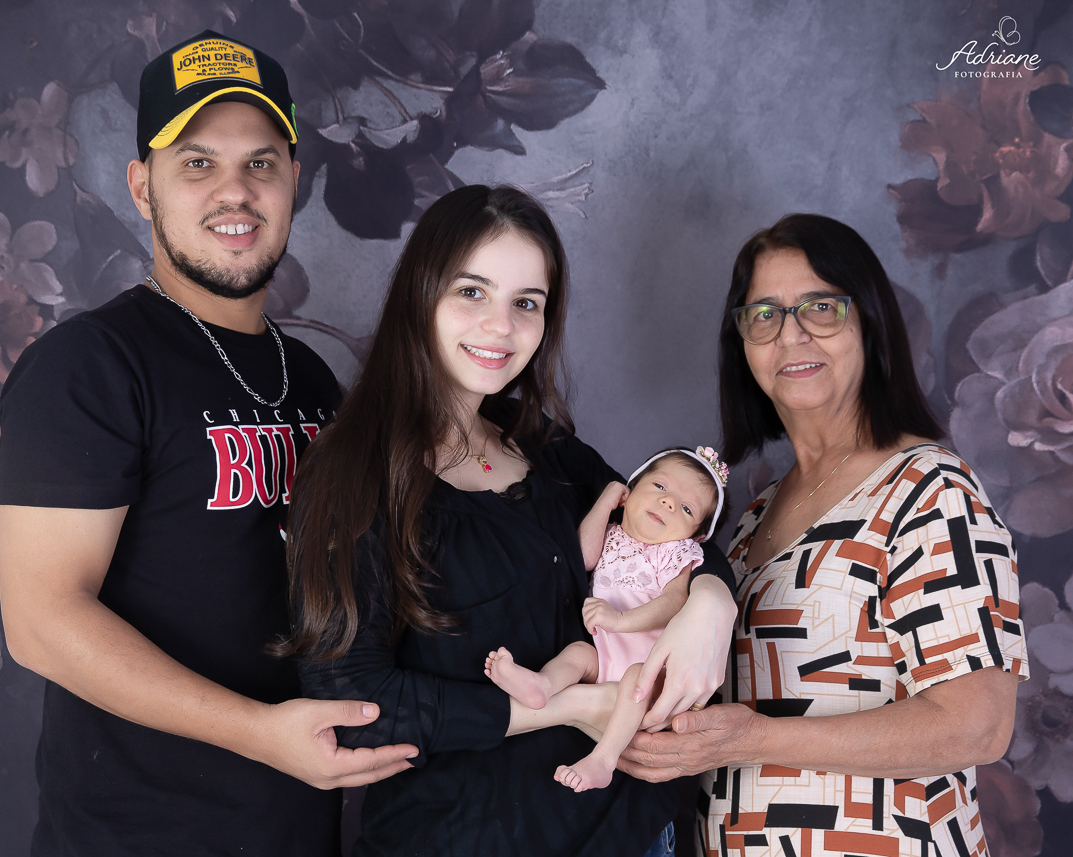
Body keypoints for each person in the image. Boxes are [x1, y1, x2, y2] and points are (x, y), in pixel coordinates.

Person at [0, 31, 415, 857]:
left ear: (294, 180)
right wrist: (260, 732)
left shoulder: (311, 378)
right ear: (141, 186)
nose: (236, 190)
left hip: (297, 831)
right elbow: (41, 620)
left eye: (261, 162)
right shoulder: (89, 365)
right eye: (197, 163)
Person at [280, 184, 739, 857]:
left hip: (631, 832)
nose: (500, 327)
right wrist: (565, 707)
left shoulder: (542, 443)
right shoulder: (352, 471)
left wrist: (713, 601)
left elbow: (670, 519)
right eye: (472, 292)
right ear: (420, 294)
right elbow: (352, 703)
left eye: (527, 302)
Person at [616, 214, 1027, 857]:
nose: (792, 335)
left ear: (870, 323)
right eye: (765, 315)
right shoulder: (750, 521)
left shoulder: (930, 489)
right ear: (742, 345)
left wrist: (752, 740)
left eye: (822, 307)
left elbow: (977, 726)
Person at [485, 446, 729, 792]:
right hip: (606, 658)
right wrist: (606, 501)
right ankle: (543, 686)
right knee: (578, 654)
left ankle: (603, 760)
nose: (669, 502)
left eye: (687, 508)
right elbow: (583, 557)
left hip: (651, 671)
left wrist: (619, 620)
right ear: (631, 490)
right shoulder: (612, 534)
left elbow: (674, 601)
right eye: (660, 486)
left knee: (635, 679)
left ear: (697, 536)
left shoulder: (675, 553)